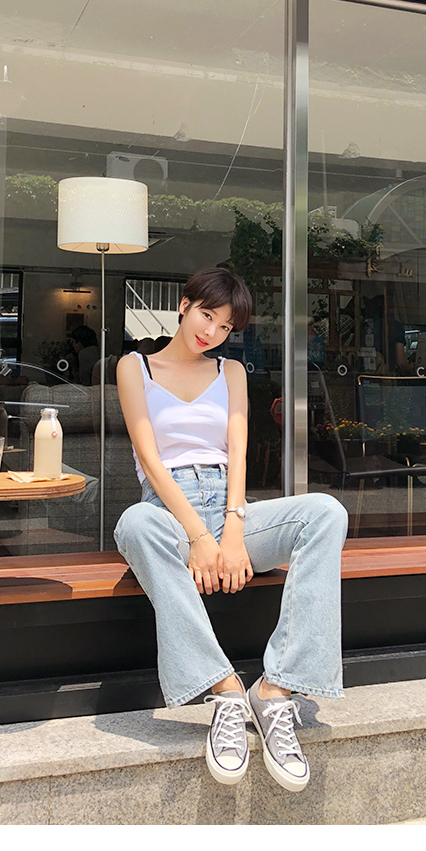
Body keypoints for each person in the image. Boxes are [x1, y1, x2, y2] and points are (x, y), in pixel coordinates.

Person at [115, 263, 348, 794]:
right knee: (135, 525)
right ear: (184, 305)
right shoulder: (135, 367)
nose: (212, 332)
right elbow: (150, 459)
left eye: (225, 327)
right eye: (207, 316)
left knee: (326, 513)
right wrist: (200, 538)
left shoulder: (232, 372)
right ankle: (223, 689)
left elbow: (237, 454)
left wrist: (232, 533)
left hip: (229, 505)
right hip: (169, 509)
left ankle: (276, 690)